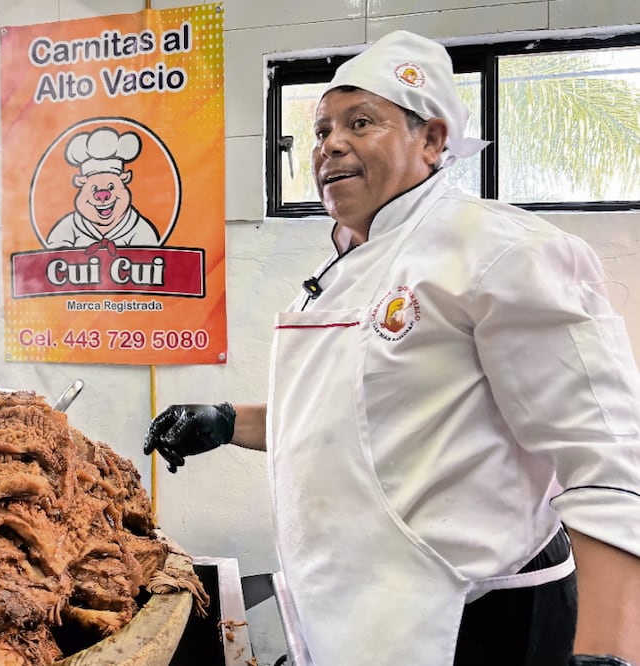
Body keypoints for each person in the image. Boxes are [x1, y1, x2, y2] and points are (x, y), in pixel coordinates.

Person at [143, 30, 640, 666]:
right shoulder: (341, 268)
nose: (330, 145)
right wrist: (226, 421)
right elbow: (362, 422)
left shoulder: (501, 250)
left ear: (431, 140)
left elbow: (609, 460)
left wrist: (607, 653)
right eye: (322, 130)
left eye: (361, 122)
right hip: (357, 607)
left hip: (478, 619)